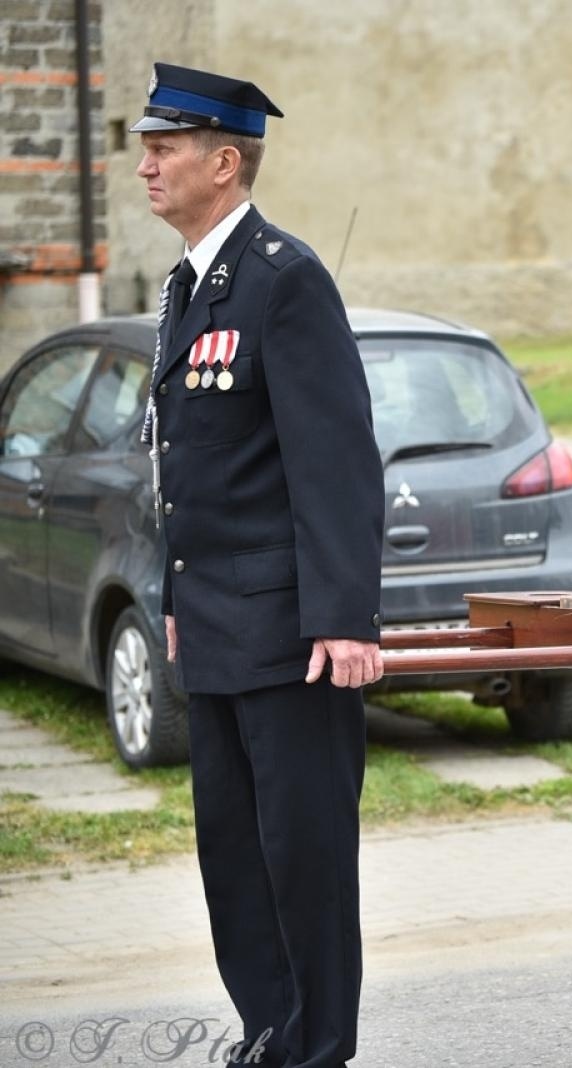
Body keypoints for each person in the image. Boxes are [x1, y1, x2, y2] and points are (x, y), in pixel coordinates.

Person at [134, 64, 383, 1068]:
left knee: (303, 855)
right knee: (234, 855)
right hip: (219, 621)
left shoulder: (284, 279)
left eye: (167, 147)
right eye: (147, 148)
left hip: (293, 633)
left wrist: (346, 620)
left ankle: (317, 1044)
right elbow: (188, 464)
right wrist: (174, 599)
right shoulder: (191, 285)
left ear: (225, 162)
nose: (146, 164)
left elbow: (335, 464)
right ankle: (269, 1032)